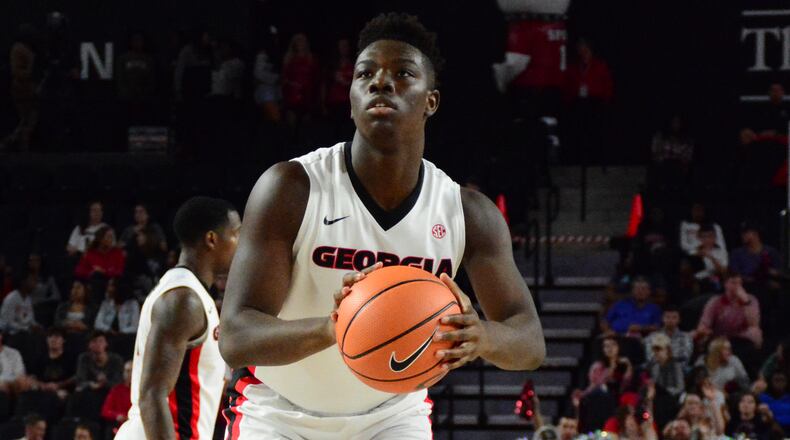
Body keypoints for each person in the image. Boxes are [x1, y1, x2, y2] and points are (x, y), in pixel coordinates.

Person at [219, 13, 545, 439]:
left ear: (431, 101)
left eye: (403, 73)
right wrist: (336, 327)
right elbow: (237, 335)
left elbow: (530, 342)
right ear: (351, 97)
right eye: (365, 74)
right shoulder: (291, 188)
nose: (381, 82)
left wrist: (481, 337)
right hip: (279, 413)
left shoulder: (467, 212)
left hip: (391, 416)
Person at [116, 197, 241, 440]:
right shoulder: (184, 300)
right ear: (212, 239)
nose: (241, 244)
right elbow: (152, 394)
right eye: (237, 234)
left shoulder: (190, 293)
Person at [281, 33, 320, 129]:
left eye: (302, 40)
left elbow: (317, 77)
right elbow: (284, 78)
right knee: (292, 123)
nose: (300, 43)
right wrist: (291, 84)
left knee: (306, 124)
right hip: (292, 95)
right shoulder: (289, 58)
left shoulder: (311, 58)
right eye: (298, 40)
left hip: (308, 95)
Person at [730, 222, 782, 289]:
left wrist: (770, 271)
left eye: (745, 233)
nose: (742, 236)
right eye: (742, 233)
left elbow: (780, 272)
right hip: (746, 288)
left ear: (755, 234)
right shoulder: (736, 253)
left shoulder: (771, 251)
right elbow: (735, 274)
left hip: (769, 288)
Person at [101, 360, 133, 432]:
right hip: (120, 428)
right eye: (127, 371)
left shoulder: (141, 392)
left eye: (132, 370)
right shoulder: (116, 390)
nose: (130, 374)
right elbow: (105, 411)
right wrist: (117, 415)